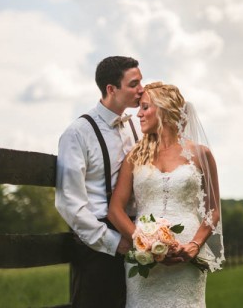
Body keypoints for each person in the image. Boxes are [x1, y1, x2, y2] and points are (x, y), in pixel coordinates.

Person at [108, 82, 225, 307]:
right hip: (144, 262)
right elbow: (115, 210)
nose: (138, 114)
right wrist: (142, 242)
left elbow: (213, 209)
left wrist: (194, 246)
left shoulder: (201, 154)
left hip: (187, 258)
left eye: (144, 107)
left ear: (163, 109)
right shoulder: (134, 156)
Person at [55, 56, 143, 308]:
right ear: (111, 89)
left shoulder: (137, 127)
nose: (141, 89)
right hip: (97, 247)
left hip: (137, 238)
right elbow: (69, 203)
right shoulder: (77, 134)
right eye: (134, 84)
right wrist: (112, 242)